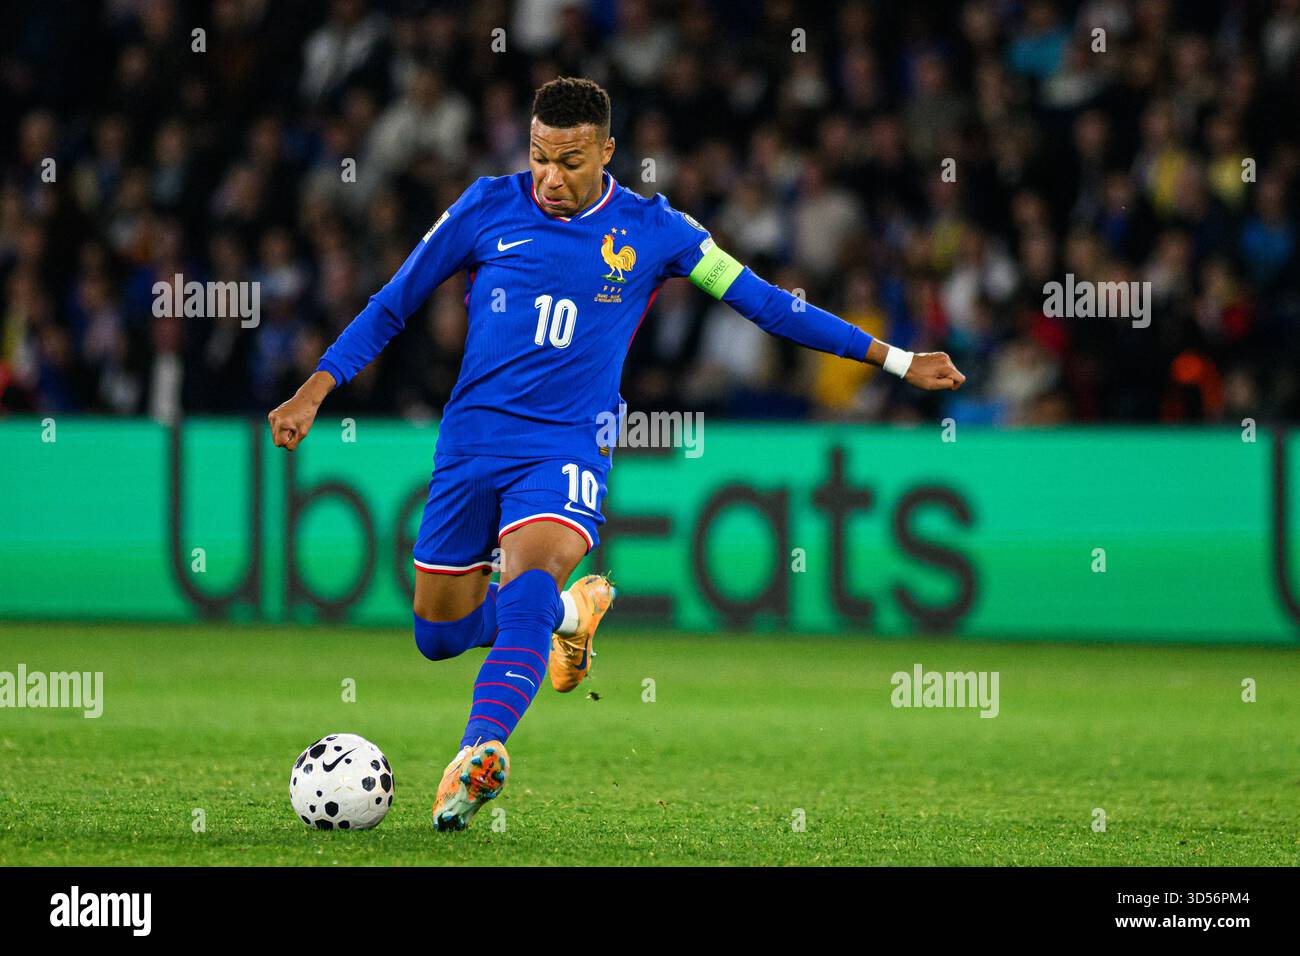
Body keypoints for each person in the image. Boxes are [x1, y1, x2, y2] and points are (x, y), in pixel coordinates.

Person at [267, 77, 966, 831]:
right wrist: (316, 388)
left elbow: (767, 302)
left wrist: (895, 360)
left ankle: (479, 752)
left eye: (569, 161)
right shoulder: (484, 206)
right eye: (539, 157)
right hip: (471, 442)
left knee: (530, 572)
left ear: (607, 151)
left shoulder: (657, 232)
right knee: (438, 635)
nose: (550, 177)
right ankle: (571, 615)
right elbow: (393, 302)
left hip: (567, 443)